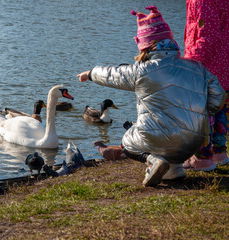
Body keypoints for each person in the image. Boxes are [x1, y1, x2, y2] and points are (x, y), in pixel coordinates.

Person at [77, 6, 225, 187]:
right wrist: (200, 113)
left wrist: (91, 73)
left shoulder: (143, 71)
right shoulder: (198, 68)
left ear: (145, 45)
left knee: (128, 139)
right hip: (194, 143)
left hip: (159, 139)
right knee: (172, 137)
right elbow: (219, 97)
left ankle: (152, 160)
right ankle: (174, 171)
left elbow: (113, 74)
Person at [183, 0, 229, 171]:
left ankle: (202, 159)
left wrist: (189, 63)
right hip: (224, 67)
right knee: (220, 112)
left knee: (201, 115)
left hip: (206, 69)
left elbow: (206, 36)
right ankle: (219, 154)